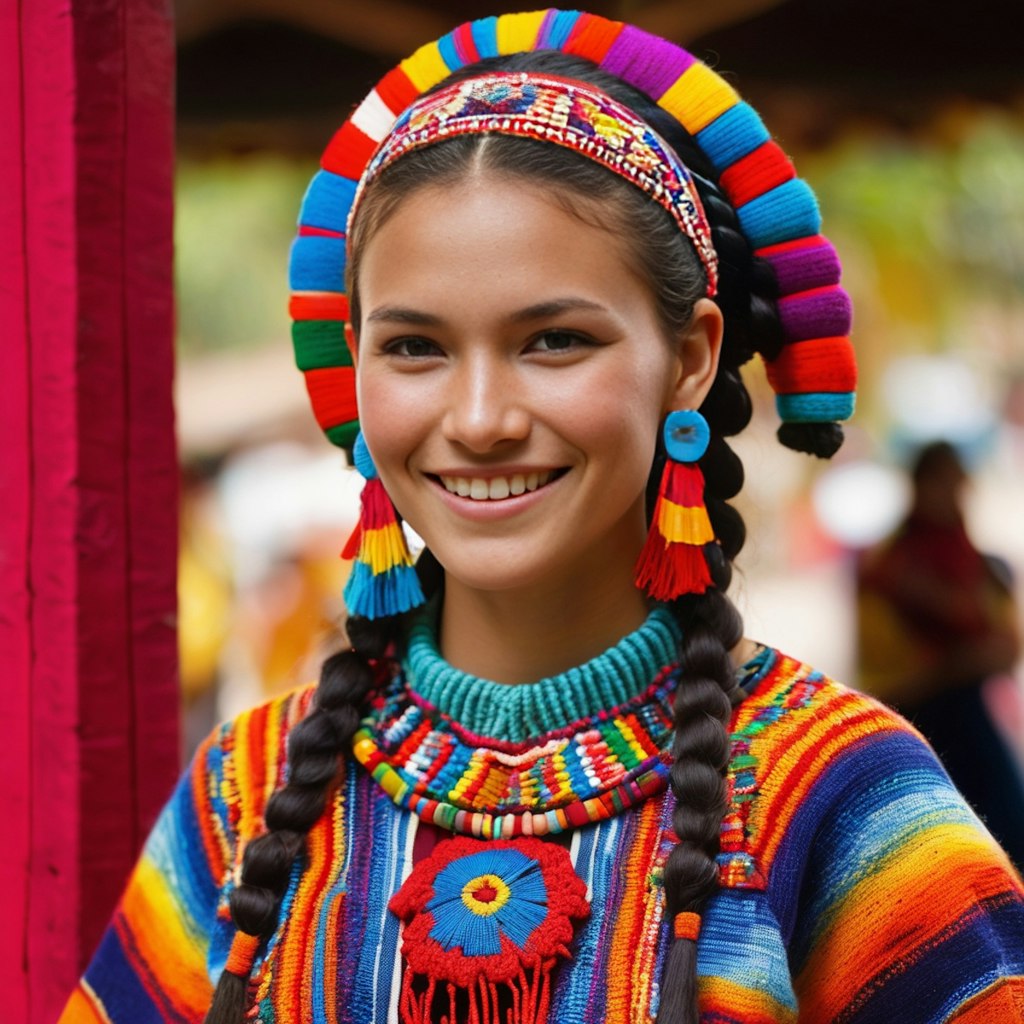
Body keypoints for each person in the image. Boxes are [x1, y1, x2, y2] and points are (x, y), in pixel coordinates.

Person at [61, 10, 1024, 1024]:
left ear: (692, 357)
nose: (478, 420)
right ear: (353, 366)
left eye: (555, 340)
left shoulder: (838, 799)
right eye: (414, 348)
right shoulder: (242, 795)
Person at [857, 439, 1024, 868]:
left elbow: (1006, 647)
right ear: (920, 486)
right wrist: (962, 663)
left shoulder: (976, 561)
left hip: (973, 719)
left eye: (957, 485)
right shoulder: (890, 568)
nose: (951, 495)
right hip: (919, 728)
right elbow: (885, 679)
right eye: (942, 484)